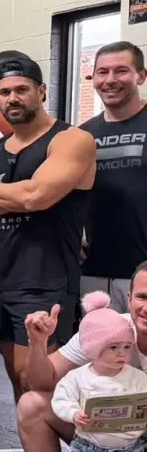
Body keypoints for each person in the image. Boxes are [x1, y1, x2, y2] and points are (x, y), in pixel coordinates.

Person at [0, 55, 94, 403]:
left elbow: (36, 197)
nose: (12, 99)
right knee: (17, 378)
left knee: (42, 383)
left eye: (21, 90)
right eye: (4, 93)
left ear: (41, 91)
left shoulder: (71, 139)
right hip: (0, 278)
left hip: (45, 278)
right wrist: (20, 195)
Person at [6, 270, 147, 452]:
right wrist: (38, 343)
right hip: (105, 437)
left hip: (140, 450)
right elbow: (39, 383)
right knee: (33, 405)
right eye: (143, 297)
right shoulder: (108, 329)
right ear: (128, 299)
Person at [47, 292, 147, 452]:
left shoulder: (137, 378)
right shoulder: (78, 378)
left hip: (131, 448)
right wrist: (73, 414)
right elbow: (60, 400)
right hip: (89, 447)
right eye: (113, 348)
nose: (121, 354)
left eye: (126, 348)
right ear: (93, 349)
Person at [78, 41, 147, 308]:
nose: (110, 80)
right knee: (101, 349)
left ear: (141, 75)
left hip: (143, 273)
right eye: (102, 72)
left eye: (121, 71)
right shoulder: (82, 135)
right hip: (94, 271)